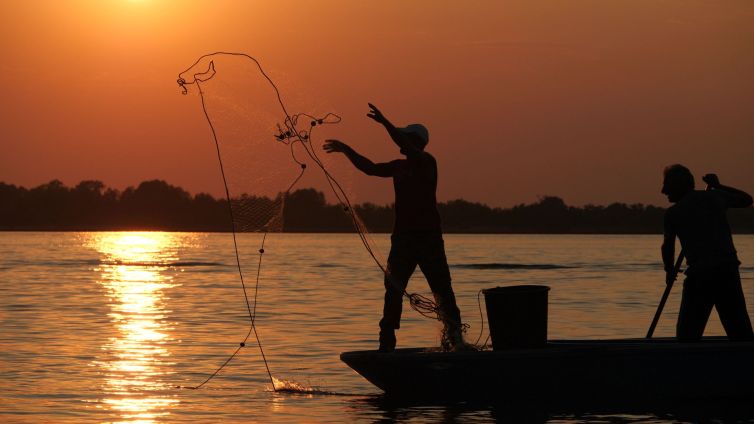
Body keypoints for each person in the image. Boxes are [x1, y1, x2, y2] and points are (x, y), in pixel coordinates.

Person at [323, 103, 466, 352]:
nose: (400, 141)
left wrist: (385, 123)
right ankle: (386, 343)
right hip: (402, 239)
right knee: (393, 290)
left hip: (429, 238)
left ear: (415, 142)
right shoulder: (398, 167)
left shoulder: (427, 162)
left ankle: (455, 339)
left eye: (405, 137)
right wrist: (346, 149)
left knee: (441, 289)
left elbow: (406, 144)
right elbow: (369, 168)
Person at [661, 164, 754, 341]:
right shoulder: (715, 196)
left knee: (687, 337)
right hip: (726, 273)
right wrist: (719, 187)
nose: (663, 191)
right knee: (740, 333)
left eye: (667, 185)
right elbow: (746, 199)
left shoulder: (674, 213)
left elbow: (667, 246)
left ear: (678, 186)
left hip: (702, 277)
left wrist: (669, 269)